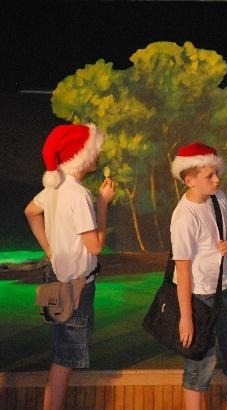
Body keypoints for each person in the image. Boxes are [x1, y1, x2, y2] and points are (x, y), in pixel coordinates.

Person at [24, 123, 116, 410]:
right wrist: (103, 204)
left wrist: (50, 249)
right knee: (65, 360)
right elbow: (95, 246)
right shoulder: (78, 195)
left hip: (55, 278)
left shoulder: (55, 187)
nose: (98, 154)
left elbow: (31, 211)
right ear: (82, 156)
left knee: (60, 355)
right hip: (74, 287)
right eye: (94, 149)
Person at [169, 142, 227, 410]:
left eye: (217, 173)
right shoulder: (184, 218)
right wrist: (186, 317)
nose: (217, 180)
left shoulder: (218, 198)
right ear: (189, 180)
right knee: (200, 361)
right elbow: (183, 270)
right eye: (209, 176)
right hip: (197, 297)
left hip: (224, 289)